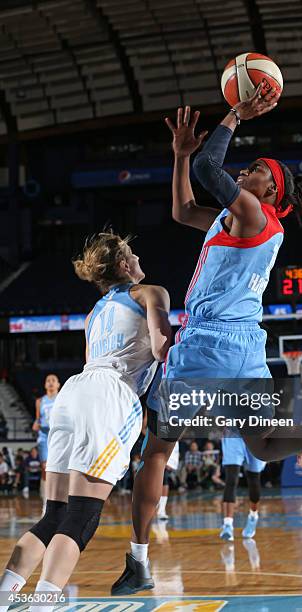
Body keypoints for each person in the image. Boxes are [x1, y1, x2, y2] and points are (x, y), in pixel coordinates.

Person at [112, 93, 302, 594]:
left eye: (258, 169)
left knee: (157, 450)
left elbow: (209, 165)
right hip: (244, 346)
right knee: (262, 441)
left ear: (273, 192)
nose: (246, 172)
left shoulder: (257, 216)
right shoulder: (232, 218)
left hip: (205, 346)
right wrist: (178, 156)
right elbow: (182, 210)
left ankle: (139, 561)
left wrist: (235, 115)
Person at [0, 230, 171, 611]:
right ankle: (44, 603)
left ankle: (3, 596)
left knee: (54, 515)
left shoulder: (94, 313)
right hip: (111, 396)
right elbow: (162, 349)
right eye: (132, 253)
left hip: (71, 394)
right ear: (125, 265)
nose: (139, 257)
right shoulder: (152, 292)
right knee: (82, 515)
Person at [220, 433, 265, 541]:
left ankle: (253, 516)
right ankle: (228, 525)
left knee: (253, 480)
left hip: (255, 433)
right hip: (233, 434)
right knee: (231, 479)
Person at [32, 374, 61, 502]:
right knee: (45, 467)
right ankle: (46, 498)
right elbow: (38, 419)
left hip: (59, 436)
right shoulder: (40, 401)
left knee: (59, 467)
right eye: (48, 380)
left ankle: (59, 496)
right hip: (44, 436)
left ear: (58, 385)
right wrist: (36, 423)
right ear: (45, 385)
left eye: (53, 380)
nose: (50, 382)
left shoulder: (62, 398)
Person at [157, 441, 179, 520]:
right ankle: (159, 509)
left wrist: (171, 463)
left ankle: (161, 510)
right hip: (156, 458)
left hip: (165, 461)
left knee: (164, 483)